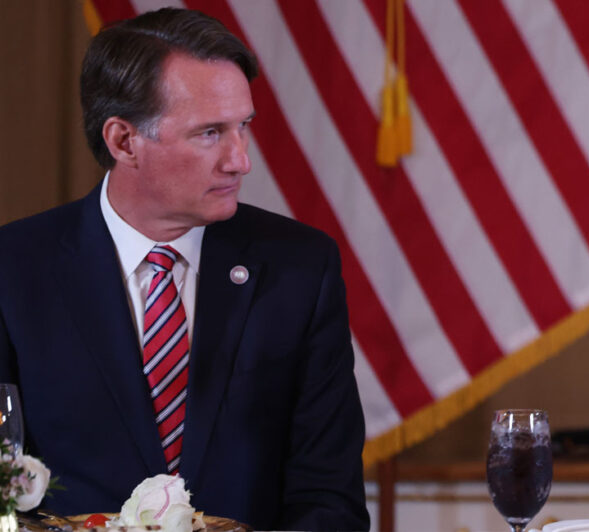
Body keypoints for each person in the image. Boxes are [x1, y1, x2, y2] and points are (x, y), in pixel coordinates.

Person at [0, 8, 369, 531]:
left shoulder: (300, 268)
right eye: (210, 133)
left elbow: (329, 498)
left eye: (243, 127)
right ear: (124, 141)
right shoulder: (14, 270)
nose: (240, 160)